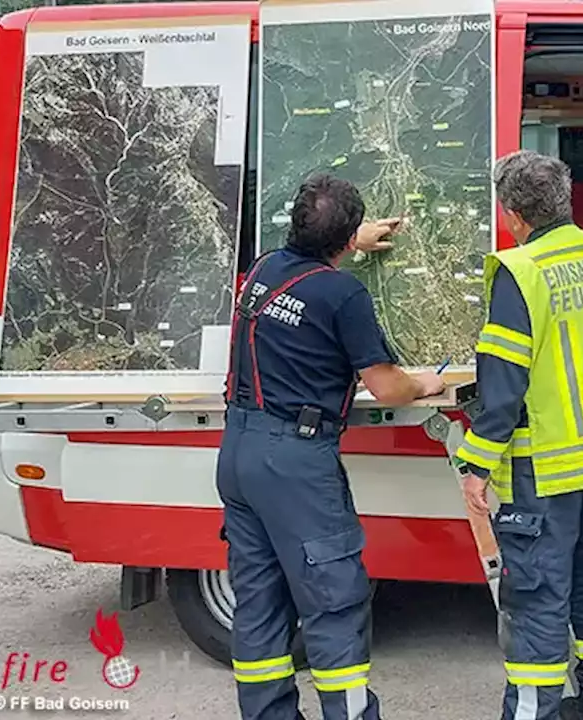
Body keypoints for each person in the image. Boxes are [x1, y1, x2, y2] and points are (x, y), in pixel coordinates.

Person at [216, 174, 446, 720]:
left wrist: (350, 240)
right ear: (344, 240)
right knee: (333, 603)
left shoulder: (265, 268)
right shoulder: (343, 295)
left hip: (240, 451)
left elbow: (306, 269)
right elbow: (388, 386)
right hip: (295, 463)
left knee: (259, 603)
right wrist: (426, 384)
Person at [455, 149, 583, 720]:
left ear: (513, 213)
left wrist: (476, 465)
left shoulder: (521, 270)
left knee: (538, 605)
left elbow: (503, 385)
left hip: (545, 470)